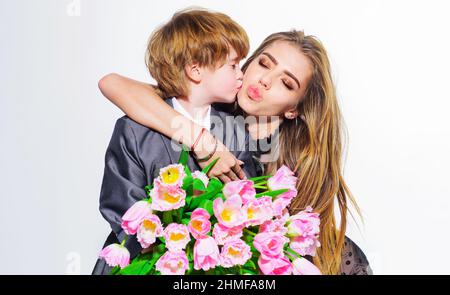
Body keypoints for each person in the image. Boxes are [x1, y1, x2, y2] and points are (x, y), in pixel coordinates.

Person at [98, 28, 373, 275]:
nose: (265, 80)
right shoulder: (197, 109)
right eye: (264, 63)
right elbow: (114, 84)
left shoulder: (289, 168)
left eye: (286, 83)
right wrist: (200, 139)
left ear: (294, 108)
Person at [92, 8, 260, 275]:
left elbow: (246, 197)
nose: (242, 75)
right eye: (233, 65)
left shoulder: (236, 131)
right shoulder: (133, 130)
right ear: (195, 70)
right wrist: (158, 238)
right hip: (144, 264)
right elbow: (119, 201)